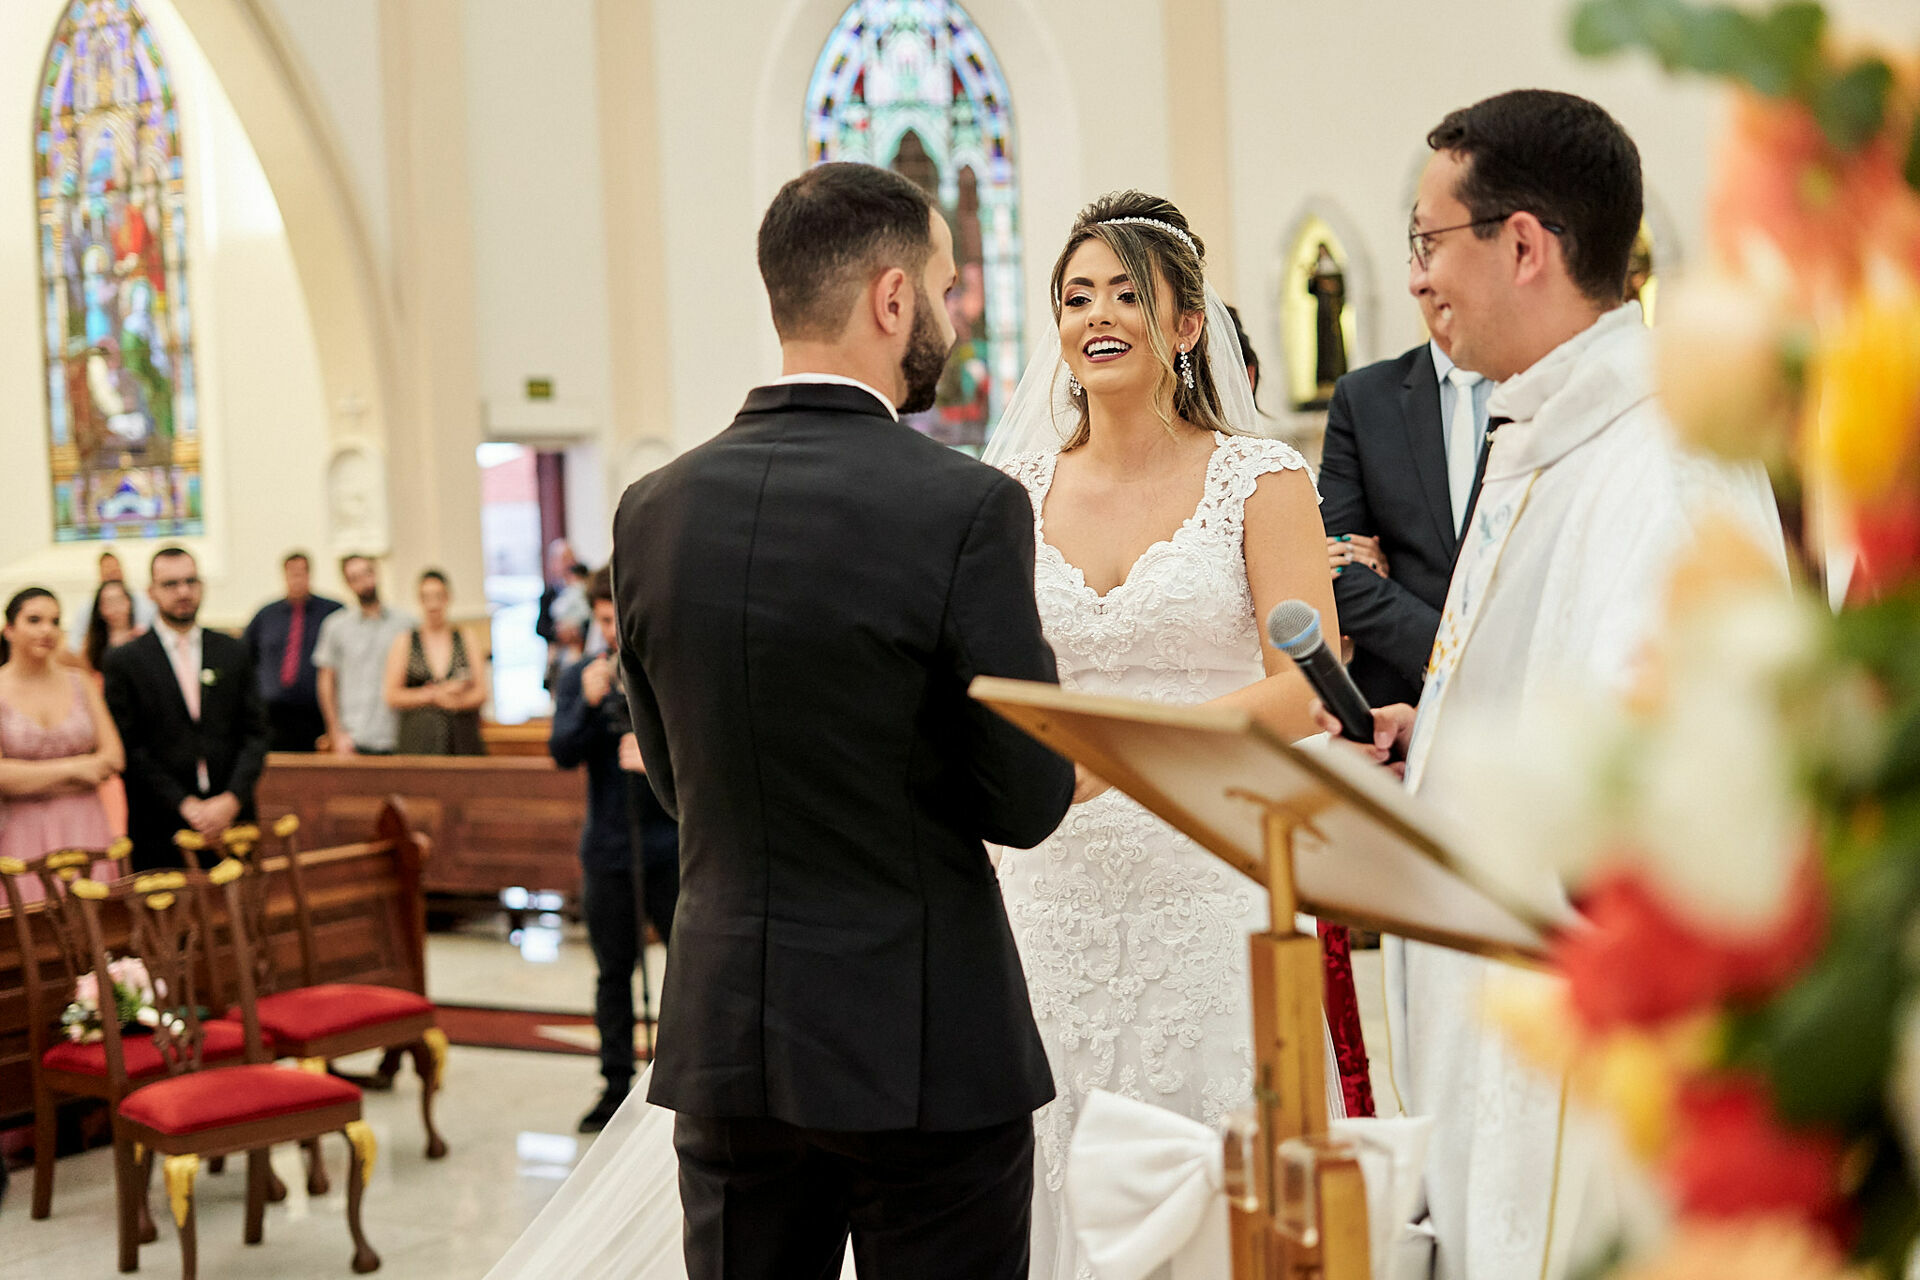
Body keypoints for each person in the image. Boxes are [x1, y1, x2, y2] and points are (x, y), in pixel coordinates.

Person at [487, 161, 1074, 1280]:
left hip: (730, 1038)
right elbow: (1029, 794)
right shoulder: (964, 504)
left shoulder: (652, 511)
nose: (952, 319)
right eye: (948, 292)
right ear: (891, 298)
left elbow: (670, 771)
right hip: (926, 1043)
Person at [1328, 91, 1785, 1280]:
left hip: (1585, 1071)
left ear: (1523, 244)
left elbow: (1672, 793)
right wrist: (1445, 741)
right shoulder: (1553, 430)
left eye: (1429, 241)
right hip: (1495, 1033)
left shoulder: (1667, 461)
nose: (1415, 277)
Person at [982, 191, 1372, 1279]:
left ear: (1187, 325)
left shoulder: (1262, 480)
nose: (1096, 316)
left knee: (1212, 1154)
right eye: (1075, 296)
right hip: (1045, 881)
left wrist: (1119, 751)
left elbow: (1306, 681)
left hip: (1207, 870)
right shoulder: (1006, 493)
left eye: (1126, 294)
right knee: (1043, 1153)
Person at [1317, 288, 1495, 708]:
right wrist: (1445, 654)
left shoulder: (1540, 386)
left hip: (1531, 691)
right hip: (1396, 699)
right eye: (1420, 255)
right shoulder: (1363, 397)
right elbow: (1334, 566)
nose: (1427, 279)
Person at [548, 567, 679, 1135]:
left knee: (687, 964)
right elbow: (562, 750)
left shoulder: (665, 672)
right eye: (601, 621)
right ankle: (614, 1083)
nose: (609, 631)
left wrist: (654, 760)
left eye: (615, 619)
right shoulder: (582, 674)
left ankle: (680, 1074)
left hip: (669, 843)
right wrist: (585, 703)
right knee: (612, 972)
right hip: (607, 846)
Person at [103, 547, 271, 871]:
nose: (183, 592)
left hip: (231, 818)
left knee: (236, 916)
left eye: (191, 581)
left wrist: (232, 799)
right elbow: (129, 746)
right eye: (170, 584)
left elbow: (257, 733)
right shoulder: (125, 661)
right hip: (161, 821)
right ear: (151, 592)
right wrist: (185, 804)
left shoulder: (232, 651)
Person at [0, 588, 122, 901]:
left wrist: (29, 776)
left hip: (85, 823)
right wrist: (77, 767)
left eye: (55, 621)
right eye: (34, 620)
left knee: (96, 927)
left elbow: (113, 757)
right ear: (9, 630)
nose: (47, 630)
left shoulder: (79, 681)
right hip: (21, 830)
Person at [242, 551, 343, 752]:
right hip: (272, 713)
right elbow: (245, 657)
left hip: (316, 713)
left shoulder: (332, 613)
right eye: (292, 574)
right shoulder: (266, 615)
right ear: (284, 576)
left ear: (309, 575)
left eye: (301, 573)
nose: (297, 580)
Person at [314, 554, 413, 756]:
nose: (364, 582)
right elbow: (326, 681)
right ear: (348, 583)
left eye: (367, 573)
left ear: (376, 573)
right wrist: (335, 732)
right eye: (355, 577)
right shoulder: (335, 626)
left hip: (398, 735)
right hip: (353, 736)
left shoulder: (406, 624)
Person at [384, 569, 486, 756]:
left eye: (438, 596)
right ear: (420, 601)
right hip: (419, 739)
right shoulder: (405, 641)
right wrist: (431, 696)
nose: (433, 605)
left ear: (448, 598)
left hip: (461, 737)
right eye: (427, 597)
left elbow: (481, 692)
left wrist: (455, 701)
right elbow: (392, 695)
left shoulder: (465, 638)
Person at [81, 577, 145, 673]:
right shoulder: (91, 644)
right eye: (108, 602)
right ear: (99, 608)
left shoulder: (142, 636)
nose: (115, 608)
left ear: (129, 602)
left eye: (119, 600)